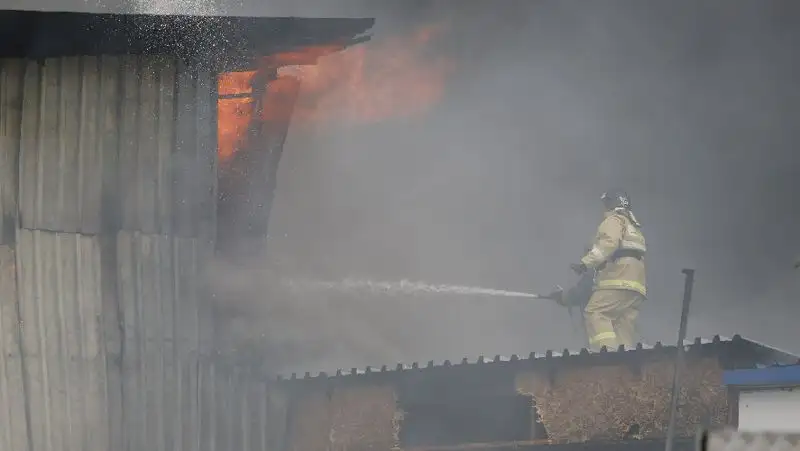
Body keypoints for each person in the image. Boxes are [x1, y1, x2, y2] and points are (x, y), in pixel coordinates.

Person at [570, 190, 647, 350]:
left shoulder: (614, 221)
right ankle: (624, 359)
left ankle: (607, 355)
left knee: (595, 313)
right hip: (636, 287)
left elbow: (607, 244)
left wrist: (586, 263)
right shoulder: (632, 226)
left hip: (618, 280)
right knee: (622, 324)